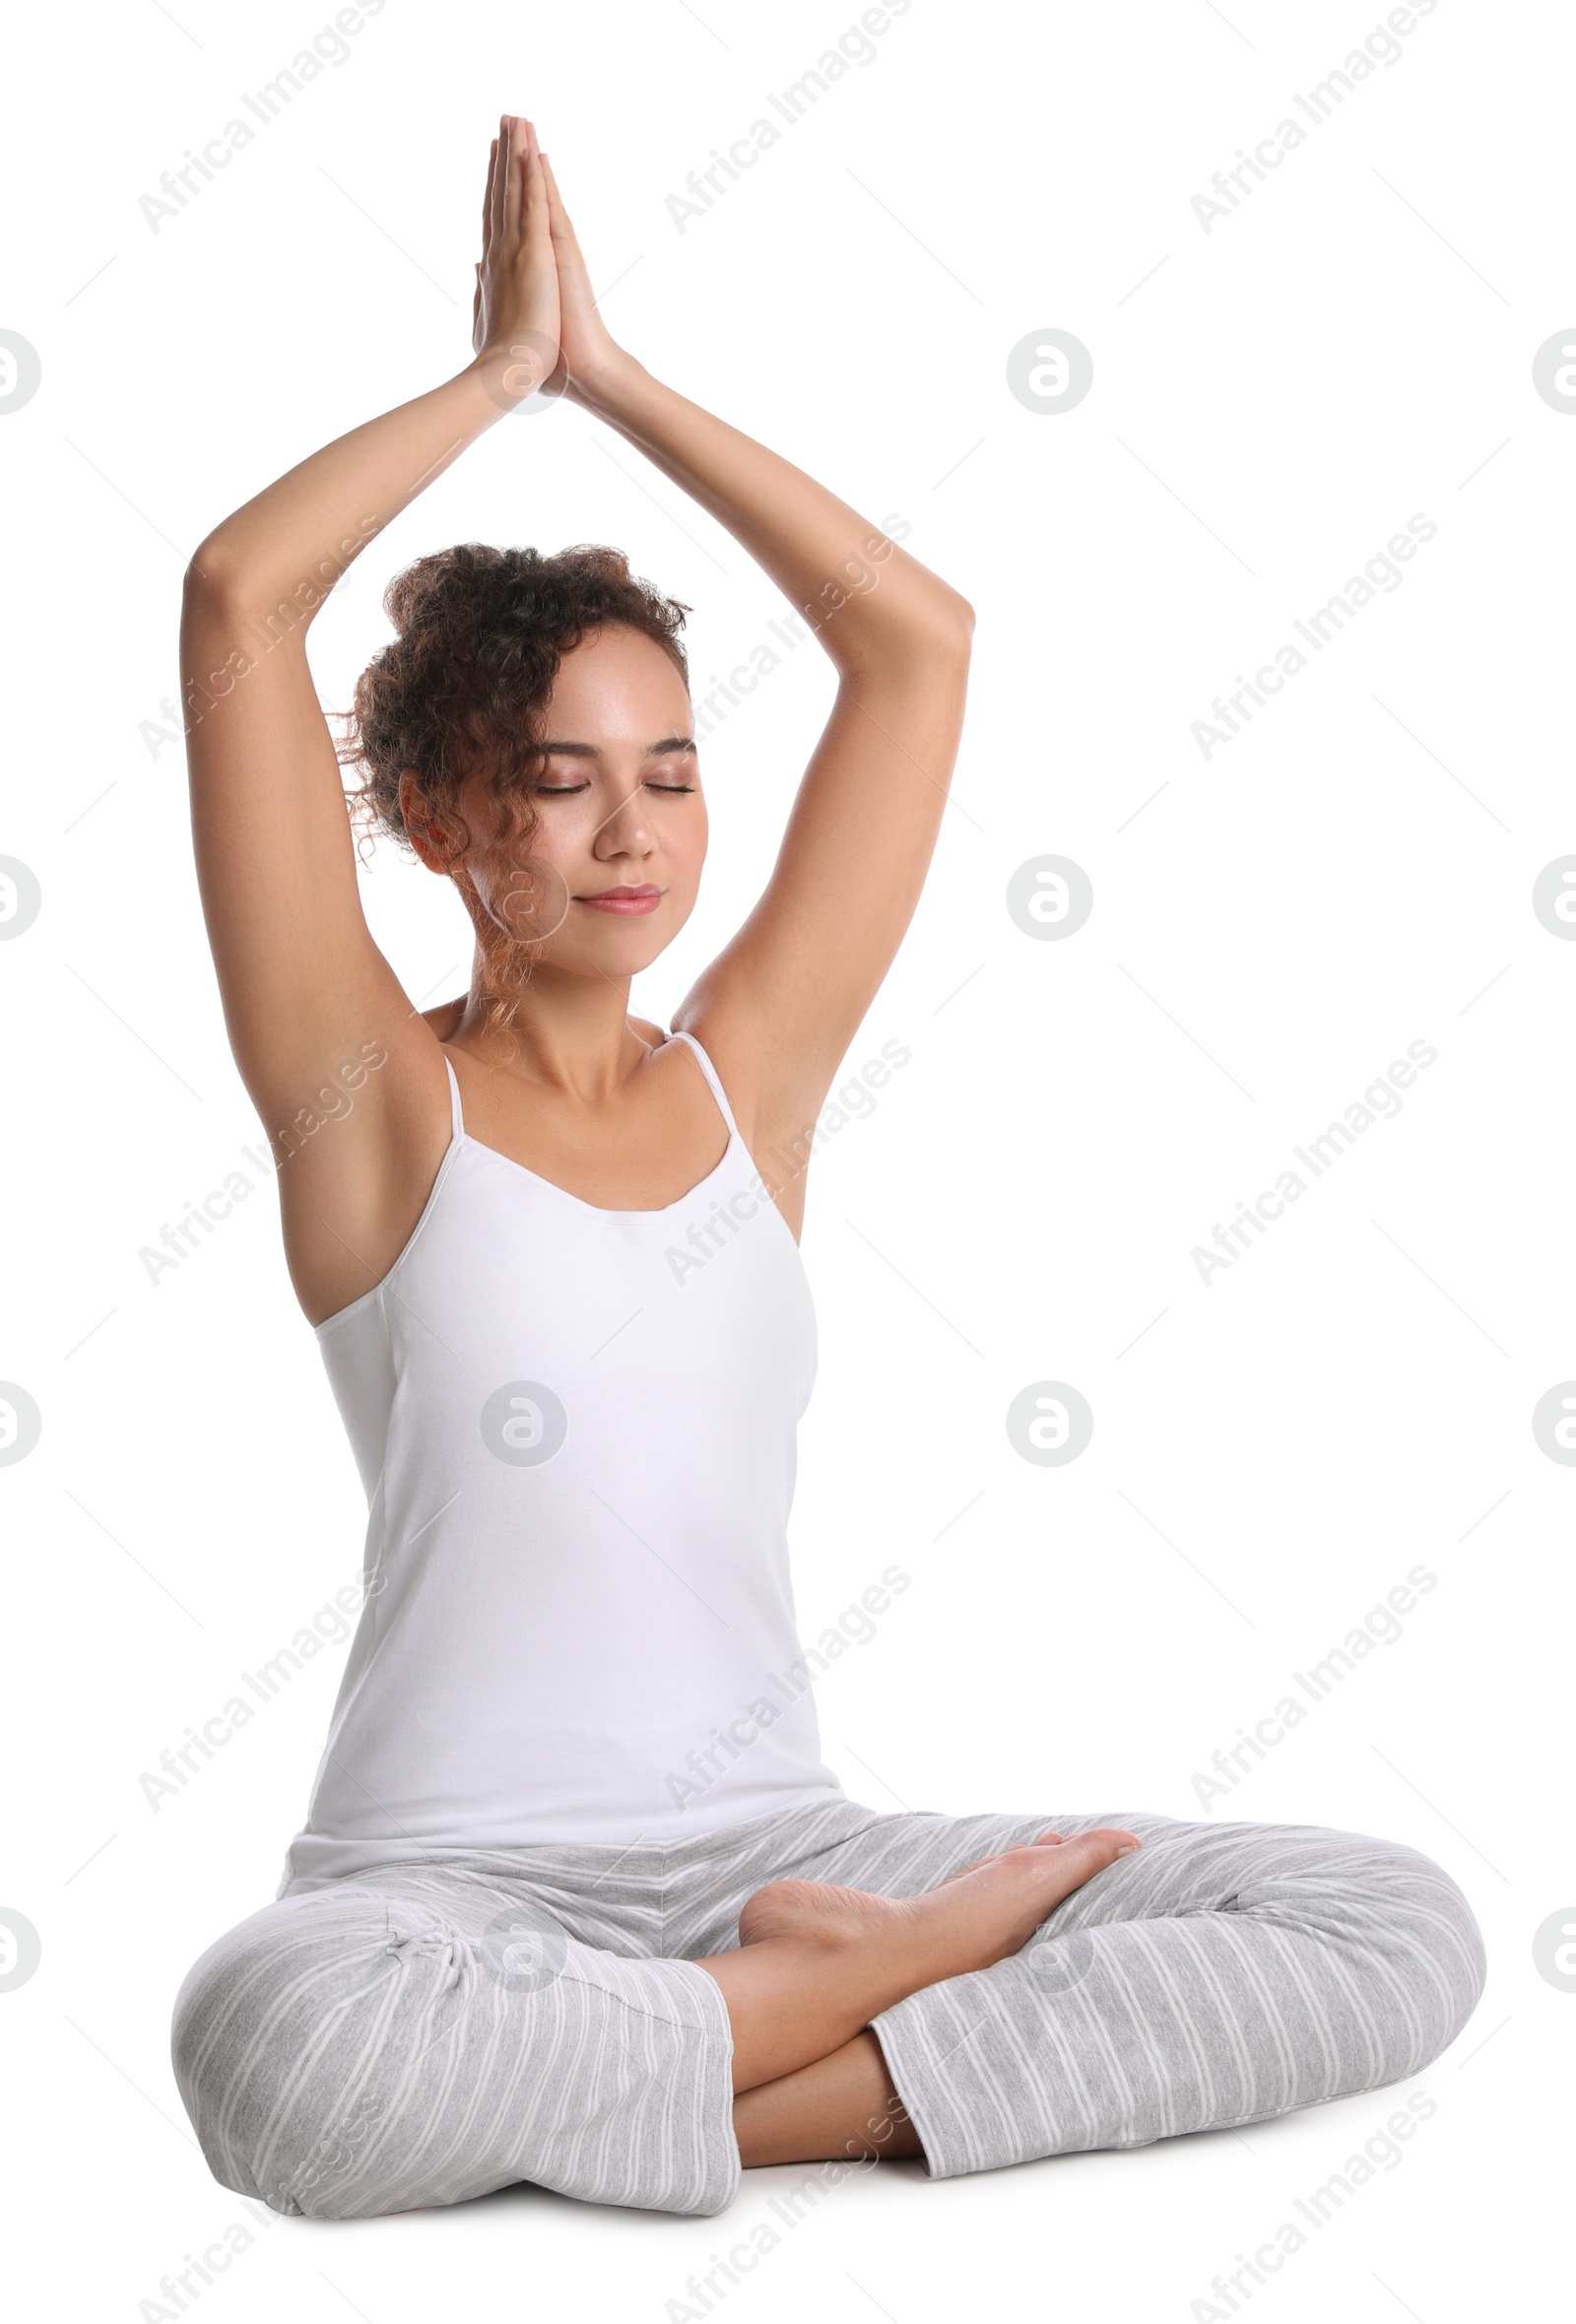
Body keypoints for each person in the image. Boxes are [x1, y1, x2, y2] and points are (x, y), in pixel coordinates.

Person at [169, 116, 1484, 2221]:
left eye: (671, 774)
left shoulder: (742, 1088)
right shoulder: (367, 1104)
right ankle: (892, 2005)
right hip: (451, 1901)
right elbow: (242, 594)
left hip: (775, 1849)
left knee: (1386, 1923)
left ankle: (737, 2056)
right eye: (561, 784)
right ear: (432, 819)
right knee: (281, 2063)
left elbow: (919, 644)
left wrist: (617, 375)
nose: (634, 835)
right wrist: (501, 382)